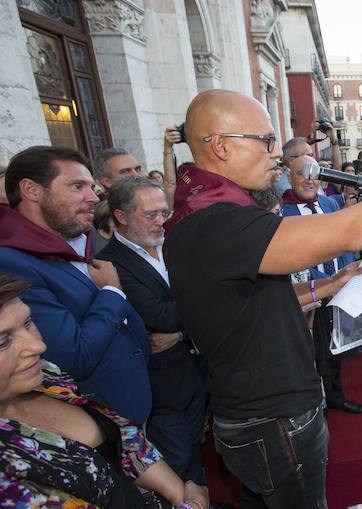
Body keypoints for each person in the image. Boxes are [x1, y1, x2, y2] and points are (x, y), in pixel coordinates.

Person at [163, 89, 362, 508]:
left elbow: (251, 301)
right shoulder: (217, 223)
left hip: (255, 411)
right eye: (265, 141)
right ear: (222, 145)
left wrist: (329, 286)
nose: (276, 155)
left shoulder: (199, 212)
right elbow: (354, 229)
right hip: (274, 418)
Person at [0, 273, 207, 509]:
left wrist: (179, 494)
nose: (38, 345)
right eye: (3, 341)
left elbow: (126, 443)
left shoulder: (45, 376)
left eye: (28, 323)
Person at [0, 146, 152, 423]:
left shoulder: (79, 238)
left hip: (133, 406)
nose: (93, 197)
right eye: (77, 186)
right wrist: (112, 292)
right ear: (31, 190)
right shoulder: (11, 262)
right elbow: (73, 356)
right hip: (94, 423)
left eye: (92, 187)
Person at [96, 176, 208, 489]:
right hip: (161, 387)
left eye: (164, 213)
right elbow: (162, 317)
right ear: (121, 216)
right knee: (176, 459)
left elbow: (177, 319)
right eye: (151, 215)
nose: (161, 222)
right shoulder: (110, 264)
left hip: (195, 372)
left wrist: (183, 332)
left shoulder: (171, 245)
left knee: (194, 453)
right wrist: (206, 296)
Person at [281, 152, 362, 414]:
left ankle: (336, 396)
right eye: (302, 174)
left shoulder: (329, 204)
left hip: (339, 290)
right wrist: (327, 281)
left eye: (314, 175)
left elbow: (344, 242)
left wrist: (349, 270)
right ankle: (318, 405)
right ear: (289, 178)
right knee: (312, 352)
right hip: (309, 295)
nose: (309, 180)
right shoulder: (282, 214)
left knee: (336, 349)